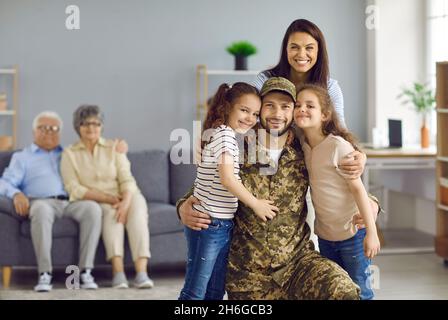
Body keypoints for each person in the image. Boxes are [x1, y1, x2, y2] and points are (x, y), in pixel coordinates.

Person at [177, 77, 379, 299]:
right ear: (259, 110)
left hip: (298, 265)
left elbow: (335, 179)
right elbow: (208, 183)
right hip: (248, 276)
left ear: (293, 112)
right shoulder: (237, 148)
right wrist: (182, 207)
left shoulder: (304, 152)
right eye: (269, 105)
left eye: (285, 106)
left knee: (343, 291)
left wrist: (372, 203)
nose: (277, 114)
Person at [179, 82, 278, 300]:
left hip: (221, 223)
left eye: (255, 113)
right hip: (210, 224)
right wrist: (256, 203)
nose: (250, 118)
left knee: (214, 290)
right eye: (244, 110)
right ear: (227, 108)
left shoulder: (224, 135)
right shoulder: (224, 137)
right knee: (195, 291)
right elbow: (227, 179)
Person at [294, 84, 380, 299]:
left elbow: (358, 190)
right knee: (334, 291)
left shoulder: (338, 147)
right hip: (325, 236)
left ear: (325, 115)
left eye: (310, 105)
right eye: (297, 105)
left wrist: (372, 233)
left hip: (353, 235)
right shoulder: (303, 145)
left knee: (361, 291)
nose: (302, 109)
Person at [0, 111, 102, 292]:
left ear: (60, 132)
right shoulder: (22, 157)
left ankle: (85, 271)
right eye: (43, 128)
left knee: (93, 209)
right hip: (41, 202)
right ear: (34, 132)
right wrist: (16, 194)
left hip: (71, 202)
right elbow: (4, 182)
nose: (49, 132)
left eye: (54, 128)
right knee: (40, 209)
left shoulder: (69, 153)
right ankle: (44, 274)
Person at [60, 105, 153, 289]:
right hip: (98, 199)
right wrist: (109, 199)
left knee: (138, 217)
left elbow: (127, 178)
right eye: (86, 123)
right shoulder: (69, 154)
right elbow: (74, 188)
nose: (91, 128)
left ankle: (142, 274)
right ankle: (118, 274)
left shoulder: (114, 147)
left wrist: (125, 202)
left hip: (127, 195)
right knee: (111, 218)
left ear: (101, 126)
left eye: (96, 123)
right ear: (78, 126)